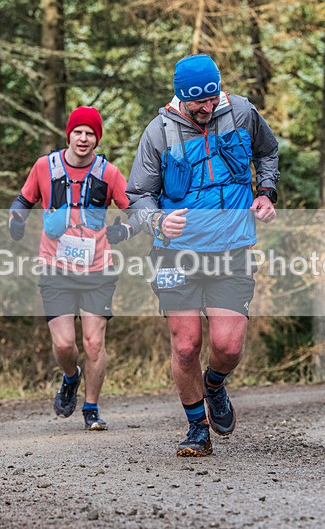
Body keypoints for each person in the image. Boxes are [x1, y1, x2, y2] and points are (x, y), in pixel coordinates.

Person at [126, 54, 279, 456]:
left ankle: (214, 384)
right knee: (186, 345)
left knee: (228, 346)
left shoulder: (242, 112)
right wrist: (157, 221)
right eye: (200, 103)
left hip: (232, 248)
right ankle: (197, 428)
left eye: (213, 98)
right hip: (176, 253)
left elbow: (267, 152)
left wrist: (265, 192)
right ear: (181, 97)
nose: (209, 108)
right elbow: (137, 196)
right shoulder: (158, 133)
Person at [7, 106, 132, 431]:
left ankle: (91, 408)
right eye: (78, 131)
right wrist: (16, 220)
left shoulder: (109, 173)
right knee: (64, 345)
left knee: (93, 342)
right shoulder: (44, 167)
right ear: (69, 134)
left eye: (90, 133)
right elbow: (23, 200)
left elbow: (136, 210)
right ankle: (70, 377)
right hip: (55, 268)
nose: (84, 138)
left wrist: (125, 231)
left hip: (98, 270)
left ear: (97, 139)